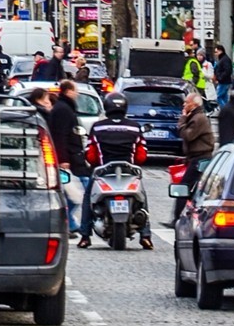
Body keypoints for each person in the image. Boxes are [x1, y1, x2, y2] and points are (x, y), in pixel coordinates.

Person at [80, 93, 152, 249]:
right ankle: (146, 235)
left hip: (103, 172)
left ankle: (85, 236)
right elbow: (141, 155)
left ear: (106, 107)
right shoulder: (134, 126)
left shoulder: (98, 127)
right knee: (142, 200)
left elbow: (91, 154)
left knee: (87, 198)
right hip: (129, 173)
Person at [167, 89, 215, 225]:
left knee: (184, 188)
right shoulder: (195, 117)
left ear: (193, 105)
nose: (183, 105)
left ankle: (176, 219)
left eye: (186, 103)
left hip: (200, 159)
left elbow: (188, 135)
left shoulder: (198, 118)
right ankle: (184, 216)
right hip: (196, 157)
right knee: (193, 189)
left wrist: (182, 119)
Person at [48, 79, 89, 235]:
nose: (77, 93)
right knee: (79, 193)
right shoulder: (63, 109)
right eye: (75, 90)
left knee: (74, 193)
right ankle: (68, 222)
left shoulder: (64, 108)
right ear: (68, 91)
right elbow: (61, 135)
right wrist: (63, 158)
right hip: (69, 158)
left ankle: (69, 222)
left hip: (72, 156)